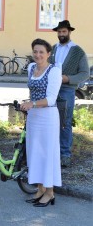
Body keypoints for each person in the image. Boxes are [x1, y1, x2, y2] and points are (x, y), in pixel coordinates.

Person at [20, 38, 62, 207]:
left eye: (41, 52)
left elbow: (51, 99)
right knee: (34, 153)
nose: (38, 55)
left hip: (48, 117)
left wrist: (33, 103)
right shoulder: (31, 68)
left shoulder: (54, 71)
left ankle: (50, 192)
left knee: (47, 154)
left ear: (48, 54)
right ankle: (39, 189)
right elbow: (32, 92)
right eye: (35, 51)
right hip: (33, 117)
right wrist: (27, 104)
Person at [48, 20, 89, 167]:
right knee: (51, 121)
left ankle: (65, 153)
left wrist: (68, 79)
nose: (61, 34)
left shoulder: (77, 51)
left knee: (64, 122)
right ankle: (52, 152)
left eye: (64, 32)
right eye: (59, 32)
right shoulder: (52, 49)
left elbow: (85, 73)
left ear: (69, 32)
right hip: (51, 89)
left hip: (67, 89)